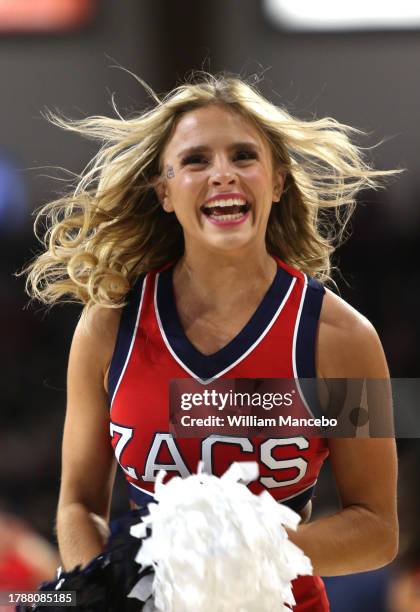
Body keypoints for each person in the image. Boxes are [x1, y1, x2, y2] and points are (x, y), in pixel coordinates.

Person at [23, 73, 399, 611]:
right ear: (165, 191)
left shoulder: (342, 339)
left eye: (244, 156)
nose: (222, 174)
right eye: (197, 161)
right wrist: (98, 585)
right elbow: (78, 503)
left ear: (278, 183)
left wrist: (238, 557)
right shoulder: (109, 327)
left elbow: (377, 528)